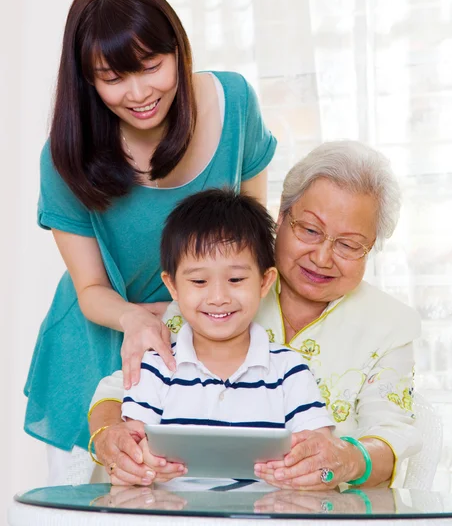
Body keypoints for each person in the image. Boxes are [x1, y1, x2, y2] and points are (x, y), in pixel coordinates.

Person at [23, 0, 277, 484]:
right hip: (102, 340)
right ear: (87, 81)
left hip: (203, 339)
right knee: (95, 507)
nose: (139, 93)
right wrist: (140, 321)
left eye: (151, 66)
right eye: (113, 78)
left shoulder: (233, 104)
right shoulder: (65, 157)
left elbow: (255, 244)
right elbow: (90, 287)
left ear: (178, 50)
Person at [89, 140, 422, 489]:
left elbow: (392, 433)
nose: (323, 257)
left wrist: (350, 459)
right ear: (282, 216)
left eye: (349, 245)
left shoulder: (391, 325)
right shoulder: (220, 288)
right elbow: (123, 390)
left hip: (309, 506)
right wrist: (113, 439)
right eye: (309, 230)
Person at [116, 189, 334, 484]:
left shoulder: (288, 370)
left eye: (235, 280)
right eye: (199, 281)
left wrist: (308, 470)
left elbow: (320, 455)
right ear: (173, 286)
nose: (218, 297)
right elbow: (128, 459)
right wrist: (142, 462)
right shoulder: (155, 368)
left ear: (264, 282)